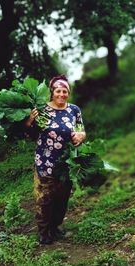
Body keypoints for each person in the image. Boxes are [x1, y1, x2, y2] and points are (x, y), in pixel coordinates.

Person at [25, 75, 86, 245]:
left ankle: (55, 226)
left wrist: (80, 136)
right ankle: (44, 232)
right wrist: (29, 122)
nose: (61, 94)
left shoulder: (74, 110)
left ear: (68, 92)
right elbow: (30, 134)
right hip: (45, 161)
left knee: (62, 197)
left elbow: (81, 130)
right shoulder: (42, 109)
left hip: (67, 162)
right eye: (58, 90)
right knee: (45, 198)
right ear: (52, 92)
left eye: (65, 91)